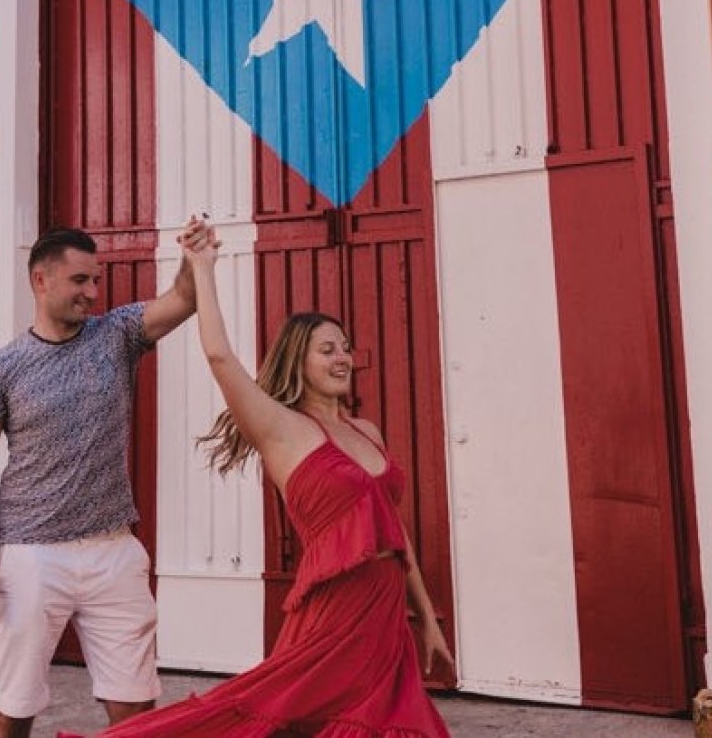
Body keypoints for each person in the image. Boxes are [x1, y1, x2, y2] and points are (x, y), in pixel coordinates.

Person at [58, 228, 453, 737]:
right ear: (298, 361)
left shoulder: (367, 432)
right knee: (272, 717)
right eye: (326, 349)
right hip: (331, 617)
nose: (341, 358)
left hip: (384, 613)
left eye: (346, 349)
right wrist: (202, 267)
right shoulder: (281, 428)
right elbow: (221, 357)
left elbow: (395, 535)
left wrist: (426, 620)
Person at [0, 218, 213, 738]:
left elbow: (183, 301)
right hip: (30, 556)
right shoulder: (3, 368)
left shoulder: (116, 335)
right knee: (13, 708)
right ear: (40, 280)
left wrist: (192, 257)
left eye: (95, 281)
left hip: (112, 552)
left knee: (135, 711)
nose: (92, 293)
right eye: (80, 281)